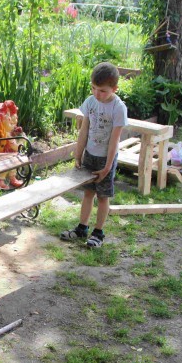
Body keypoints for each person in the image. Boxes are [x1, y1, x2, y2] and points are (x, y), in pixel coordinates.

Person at [60, 62, 127, 248]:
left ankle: (98, 233)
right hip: (89, 154)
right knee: (88, 193)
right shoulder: (90, 102)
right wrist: (78, 154)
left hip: (106, 158)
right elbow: (84, 130)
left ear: (114, 89)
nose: (97, 94)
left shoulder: (118, 108)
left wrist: (107, 166)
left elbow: (115, 140)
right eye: (94, 88)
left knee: (103, 196)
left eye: (103, 91)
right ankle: (82, 228)